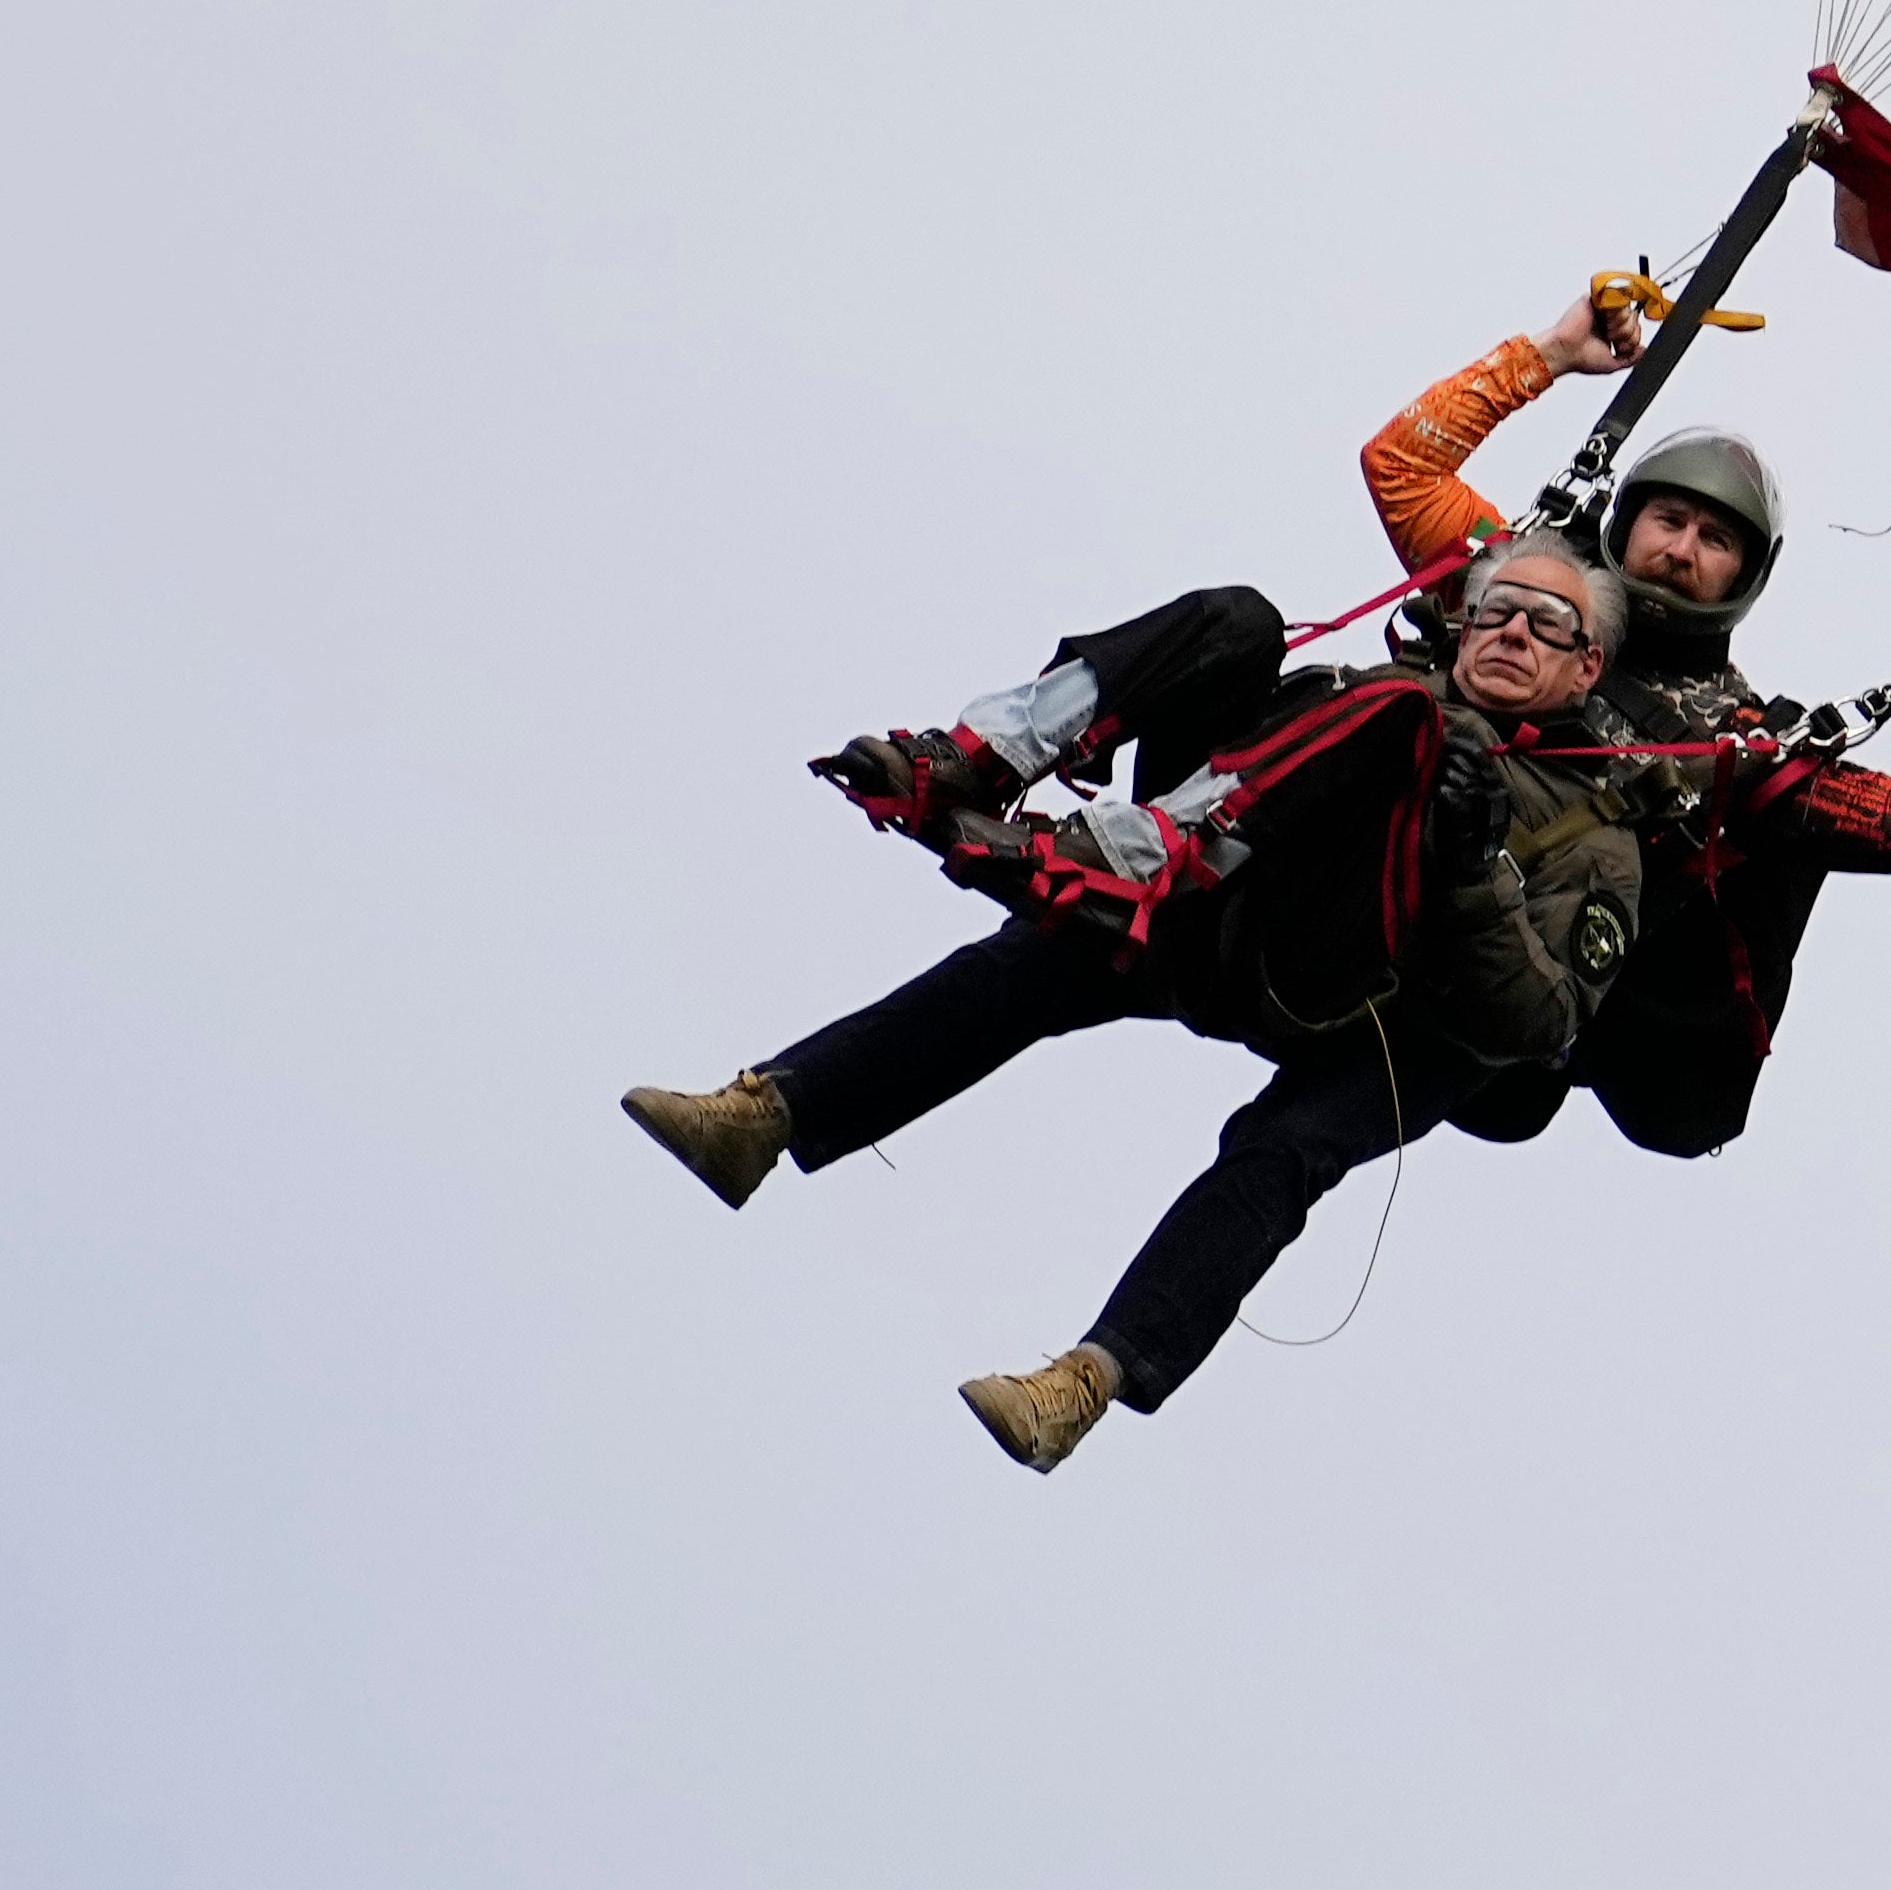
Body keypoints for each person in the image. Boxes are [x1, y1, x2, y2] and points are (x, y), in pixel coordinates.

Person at [618, 538, 1644, 1476]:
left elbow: (1537, 1024)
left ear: (1586, 667)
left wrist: (1469, 867)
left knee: (1282, 1150)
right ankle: (774, 1097)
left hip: (1344, 982)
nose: (1513, 630)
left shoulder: (1596, 831)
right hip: (1223, 895)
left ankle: (1088, 1380)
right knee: (1235, 624)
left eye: (1548, 624)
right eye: (1497, 608)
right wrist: (1543, 358)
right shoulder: (1371, 687)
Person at [1362, 290, 1891, 1164]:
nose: (1680, 549)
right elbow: (1399, 463)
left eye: (1714, 539)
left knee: (1745, 853)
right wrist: (1550, 353)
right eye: (1668, 520)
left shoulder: (1735, 739)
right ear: (1626, 526)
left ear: (1745, 572)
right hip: (1419, 927)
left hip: (1608, 1024)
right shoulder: (1527, 603)